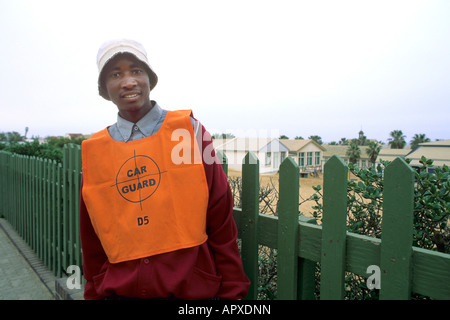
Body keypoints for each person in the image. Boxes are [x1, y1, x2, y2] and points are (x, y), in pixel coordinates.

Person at [79, 39, 250, 300]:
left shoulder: (186, 132)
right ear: (104, 88)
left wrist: (233, 291)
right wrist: (93, 291)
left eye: (136, 71)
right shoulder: (96, 150)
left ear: (150, 78)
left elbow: (220, 215)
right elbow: (92, 237)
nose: (128, 82)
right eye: (115, 74)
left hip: (191, 294)